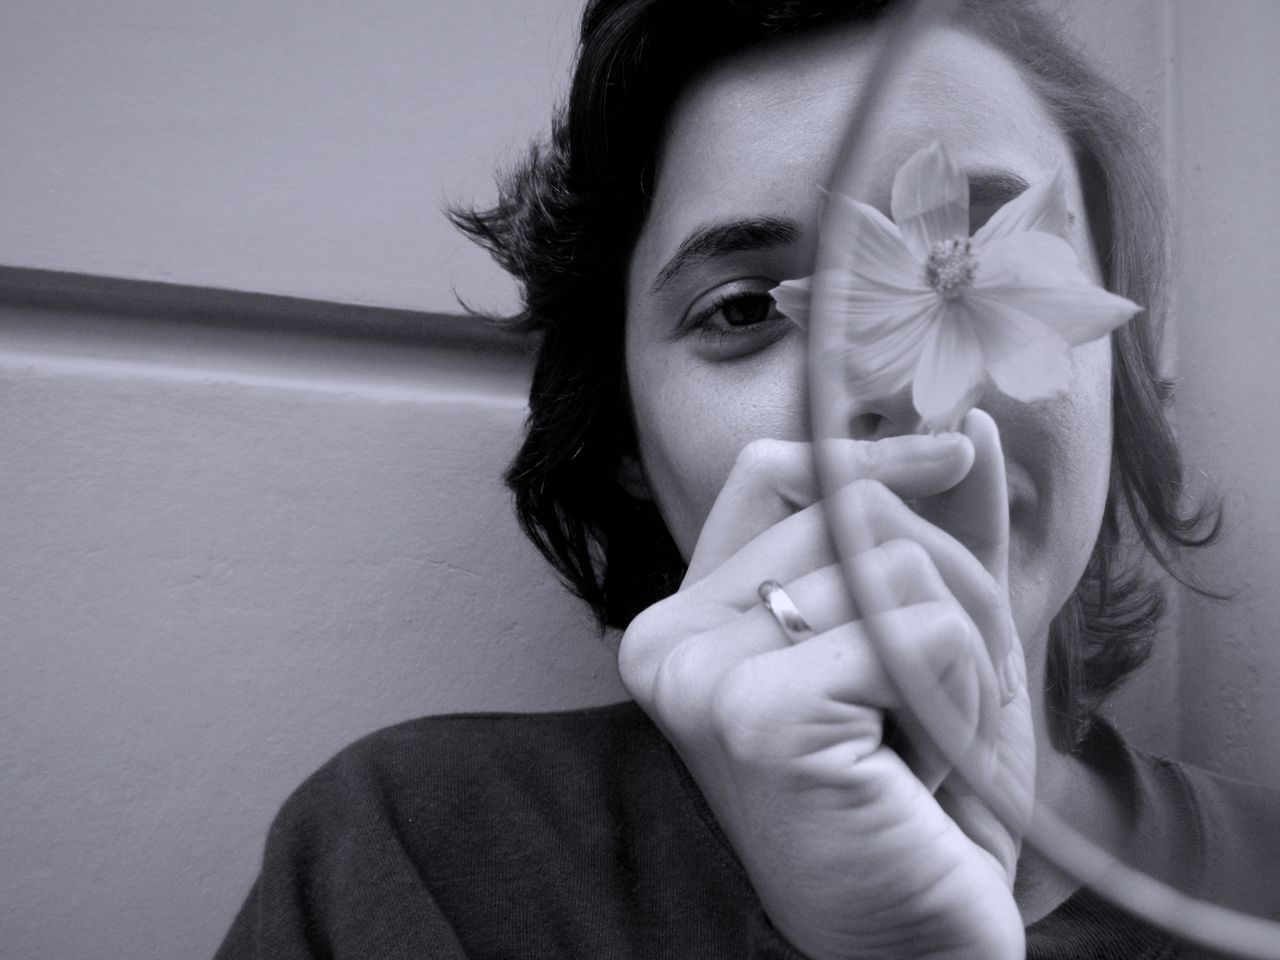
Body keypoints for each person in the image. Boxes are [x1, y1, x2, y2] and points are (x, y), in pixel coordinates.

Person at [215, 1, 1280, 957]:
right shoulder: (416, 866)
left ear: (1115, 365)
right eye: (746, 309)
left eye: (986, 264)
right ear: (625, 439)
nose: (891, 380)